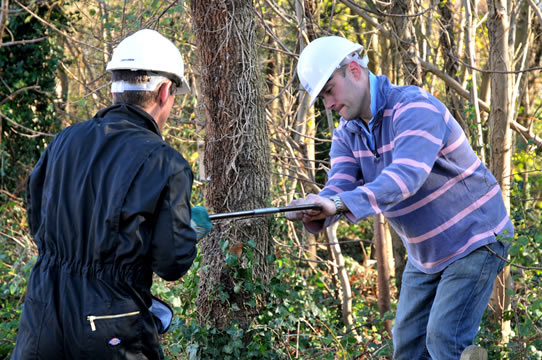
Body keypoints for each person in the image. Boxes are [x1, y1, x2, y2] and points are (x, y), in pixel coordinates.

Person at [286, 36, 513, 360]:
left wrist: (338, 204)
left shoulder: (413, 106)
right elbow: (338, 186)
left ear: (354, 70)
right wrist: (315, 208)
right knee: (407, 347)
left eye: (329, 91)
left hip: (475, 237)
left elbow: (406, 177)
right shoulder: (347, 134)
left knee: (444, 340)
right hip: (426, 254)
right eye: (322, 97)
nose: (328, 104)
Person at [12, 29, 211, 360]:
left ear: (115, 89)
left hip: (42, 313)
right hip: (109, 326)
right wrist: (189, 229)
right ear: (165, 92)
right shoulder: (165, 163)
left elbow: (37, 218)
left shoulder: (64, 142)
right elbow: (172, 262)